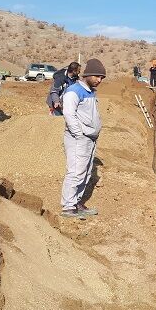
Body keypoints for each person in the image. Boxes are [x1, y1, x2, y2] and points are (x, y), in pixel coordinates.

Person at [61, 58, 105, 219]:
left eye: (102, 78)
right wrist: (78, 134)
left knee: (85, 173)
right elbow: (68, 113)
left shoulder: (90, 91)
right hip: (79, 139)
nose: (99, 80)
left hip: (90, 139)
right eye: (97, 77)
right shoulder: (74, 90)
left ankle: (77, 202)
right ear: (88, 74)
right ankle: (68, 206)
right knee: (76, 172)